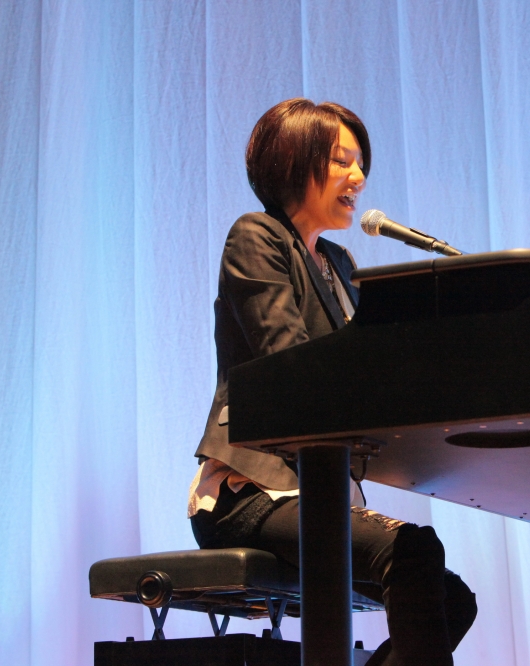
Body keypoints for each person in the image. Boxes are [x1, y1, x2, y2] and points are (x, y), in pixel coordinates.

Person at [188, 98, 477, 666]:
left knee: (453, 600)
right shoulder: (257, 237)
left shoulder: (340, 263)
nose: (358, 177)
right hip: (251, 494)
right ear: (293, 162)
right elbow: (289, 362)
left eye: (360, 163)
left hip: (318, 491)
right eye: (342, 161)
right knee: (415, 551)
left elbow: (369, 365)